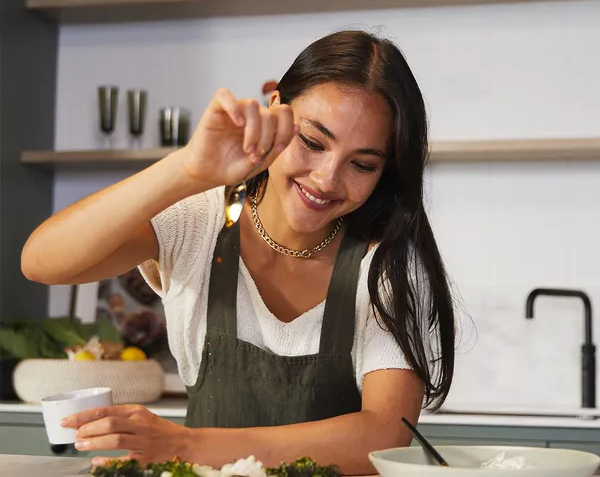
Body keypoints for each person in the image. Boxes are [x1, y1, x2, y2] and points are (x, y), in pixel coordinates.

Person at [21, 29, 455, 475]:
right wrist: (187, 169)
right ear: (275, 112)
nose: (327, 179)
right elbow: (42, 262)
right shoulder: (200, 223)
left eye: (362, 164)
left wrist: (185, 444)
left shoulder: (386, 265)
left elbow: (384, 433)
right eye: (312, 141)